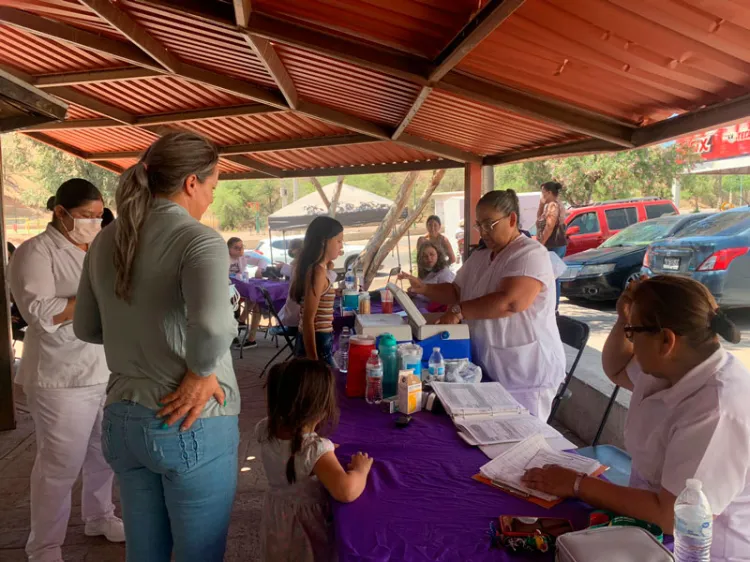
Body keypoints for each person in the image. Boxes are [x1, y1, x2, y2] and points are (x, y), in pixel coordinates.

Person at [74, 132, 240, 562]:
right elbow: (213, 326)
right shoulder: (198, 239)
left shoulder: (106, 241)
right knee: (198, 553)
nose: (210, 198)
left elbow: (87, 326)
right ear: (191, 183)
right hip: (186, 419)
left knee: (144, 553)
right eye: (212, 187)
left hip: (123, 418)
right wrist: (201, 373)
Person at [522, 276, 750, 562]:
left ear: (666, 340)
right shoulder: (672, 364)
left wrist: (577, 484)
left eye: (633, 332)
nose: (630, 340)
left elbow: (672, 517)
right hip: (646, 522)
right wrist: (623, 318)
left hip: (699, 549)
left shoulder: (717, 407)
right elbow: (616, 369)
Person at [9, 179, 124, 562]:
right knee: (59, 465)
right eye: (86, 216)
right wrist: (97, 295)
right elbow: (41, 314)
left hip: (101, 368)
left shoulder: (94, 248)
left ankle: (99, 516)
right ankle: (44, 546)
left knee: (104, 453)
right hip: (60, 378)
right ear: (60, 212)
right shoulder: (34, 253)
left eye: (99, 216)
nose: (94, 222)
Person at [400, 190, 565, 419]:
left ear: (512, 219)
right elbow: (457, 291)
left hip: (525, 371)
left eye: (490, 224)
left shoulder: (530, 253)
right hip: (488, 366)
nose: (484, 232)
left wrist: (459, 311)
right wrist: (425, 288)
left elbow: (510, 302)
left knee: (522, 440)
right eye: (480, 225)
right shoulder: (481, 256)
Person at [257, 359, 374, 561]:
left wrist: (323, 454)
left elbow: (294, 456)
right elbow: (345, 491)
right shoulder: (314, 449)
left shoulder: (264, 428)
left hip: (276, 515)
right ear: (320, 409)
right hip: (304, 526)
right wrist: (360, 471)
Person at [291, 216, 344, 367]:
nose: (341, 246)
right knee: (324, 384)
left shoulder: (320, 269)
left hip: (320, 338)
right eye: (338, 241)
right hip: (317, 340)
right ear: (323, 241)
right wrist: (313, 361)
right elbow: (309, 319)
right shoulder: (317, 271)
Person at [227, 236, 265, 349]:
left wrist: (259, 269)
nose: (240, 250)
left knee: (256, 297)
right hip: (227, 288)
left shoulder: (244, 256)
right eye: (236, 248)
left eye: (241, 247)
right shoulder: (223, 258)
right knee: (236, 299)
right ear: (228, 249)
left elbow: (263, 260)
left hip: (241, 287)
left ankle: (250, 335)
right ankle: (238, 325)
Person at [536, 181, 567, 311]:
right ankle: (553, 305)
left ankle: (553, 306)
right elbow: (538, 218)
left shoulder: (553, 206)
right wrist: (541, 203)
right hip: (554, 245)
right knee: (552, 276)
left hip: (552, 245)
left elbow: (549, 226)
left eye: (543, 192)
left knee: (552, 277)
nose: (541, 195)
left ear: (549, 192)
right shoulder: (549, 205)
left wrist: (541, 243)